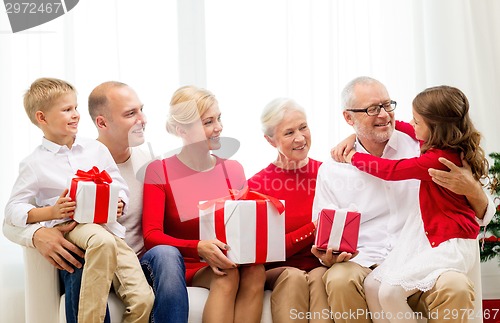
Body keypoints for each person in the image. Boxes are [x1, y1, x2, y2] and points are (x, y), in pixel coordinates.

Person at [311, 76, 495, 323]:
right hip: (364, 259)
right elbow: (325, 230)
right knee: (340, 279)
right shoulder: (333, 169)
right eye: (373, 109)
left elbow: (484, 214)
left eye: (388, 105)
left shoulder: (425, 146)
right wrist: (328, 253)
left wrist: (472, 188)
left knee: (456, 286)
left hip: (423, 253)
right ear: (348, 118)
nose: (386, 115)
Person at [4, 77, 154, 323]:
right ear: (42, 118)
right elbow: (12, 210)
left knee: (143, 300)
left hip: (109, 230)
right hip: (75, 228)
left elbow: (119, 185)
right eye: (66, 110)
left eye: (75, 108)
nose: (75, 115)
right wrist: (51, 212)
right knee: (102, 241)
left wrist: (120, 202)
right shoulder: (34, 163)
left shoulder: (95, 150)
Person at [59, 81, 189, 322]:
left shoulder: (150, 162)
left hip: (138, 263)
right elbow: (34, 214)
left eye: (141, 109)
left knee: (167, 255)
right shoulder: (74, 163)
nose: (143, 119)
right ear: (102, 123)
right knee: (79, 262)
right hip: (96, 262)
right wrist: (37, 234)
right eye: (131, 113)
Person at [142, 85, 266, 323]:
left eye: (219, 118)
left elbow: (244, 227)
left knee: (255, 271)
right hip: (187, 264)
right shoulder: (160, 171)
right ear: (182, 130)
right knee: (227, 274)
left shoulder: (233, 169)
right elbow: (151, 235)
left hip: (229, 258)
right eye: (208, 122)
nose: (218, 127)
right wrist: (198, 247)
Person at [247, 98, 332, 323]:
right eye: (289, 132)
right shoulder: (257, 186)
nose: (300, 138)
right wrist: (312, 229)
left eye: (303, 127)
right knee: (293, 277)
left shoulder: (329, 173)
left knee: (320, 277)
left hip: (320, 265)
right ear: (269, 139)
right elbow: (264, 251)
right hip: (279, 269)